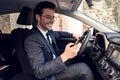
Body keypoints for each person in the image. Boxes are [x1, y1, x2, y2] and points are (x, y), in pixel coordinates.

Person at [24, 1, 94, 80]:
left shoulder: (48, 31)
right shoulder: (32, 40)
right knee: (83, 69)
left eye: (53, 17)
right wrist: (65, 56)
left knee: (80, 58)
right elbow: (39, 72)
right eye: (48, 17)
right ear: (38, 17)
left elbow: (58, 34)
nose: (52, 21)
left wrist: (72, 35)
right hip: (50, 76)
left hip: (56, 65)